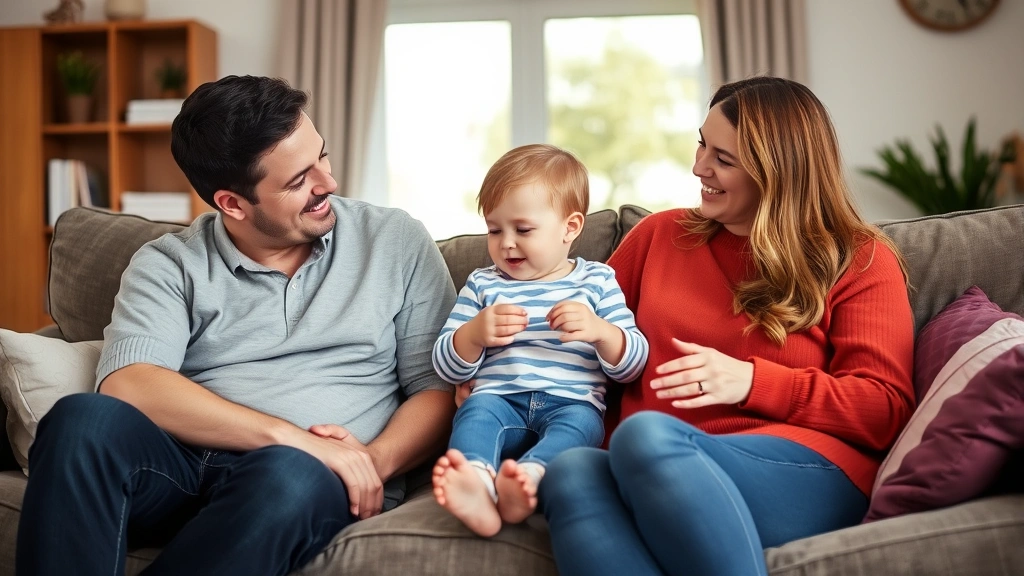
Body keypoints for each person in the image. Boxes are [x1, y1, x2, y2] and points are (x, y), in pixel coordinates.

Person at [16, 76, 457, 576]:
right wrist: (290, 436)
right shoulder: (170, 263)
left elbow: (438, 386)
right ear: (232, 203)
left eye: (323, 157)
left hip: (307, 480)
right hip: (184, 467)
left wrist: (370, 463)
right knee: (81, 421)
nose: (328, 184)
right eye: (298, 182)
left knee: (289, 472)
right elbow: (129, 381)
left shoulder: (393, 240)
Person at [536, 77, 917, 576]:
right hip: (646, 467)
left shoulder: (859, 258)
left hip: (802, 469)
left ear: (778, 172)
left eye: (723, 158)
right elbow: (577, 345)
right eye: (702, 143)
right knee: (571, 471)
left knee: (644, 436)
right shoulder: (659, 237)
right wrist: (498, 379)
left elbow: (885, 407)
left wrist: (752, 382)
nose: (698, 167)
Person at [431, 144, 649, 537]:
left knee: (582, 430)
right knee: (475, 416)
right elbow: (445, 364)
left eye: (523, 229)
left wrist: (602, 332)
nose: (506, 243)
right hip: (498, 400)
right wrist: (473, 334)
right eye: (494, 230)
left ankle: (528, 480)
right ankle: (477, 482)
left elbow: (633, 363)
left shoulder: (597, 281)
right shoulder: (482, 284)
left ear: (570, 227)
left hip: (573, 404)